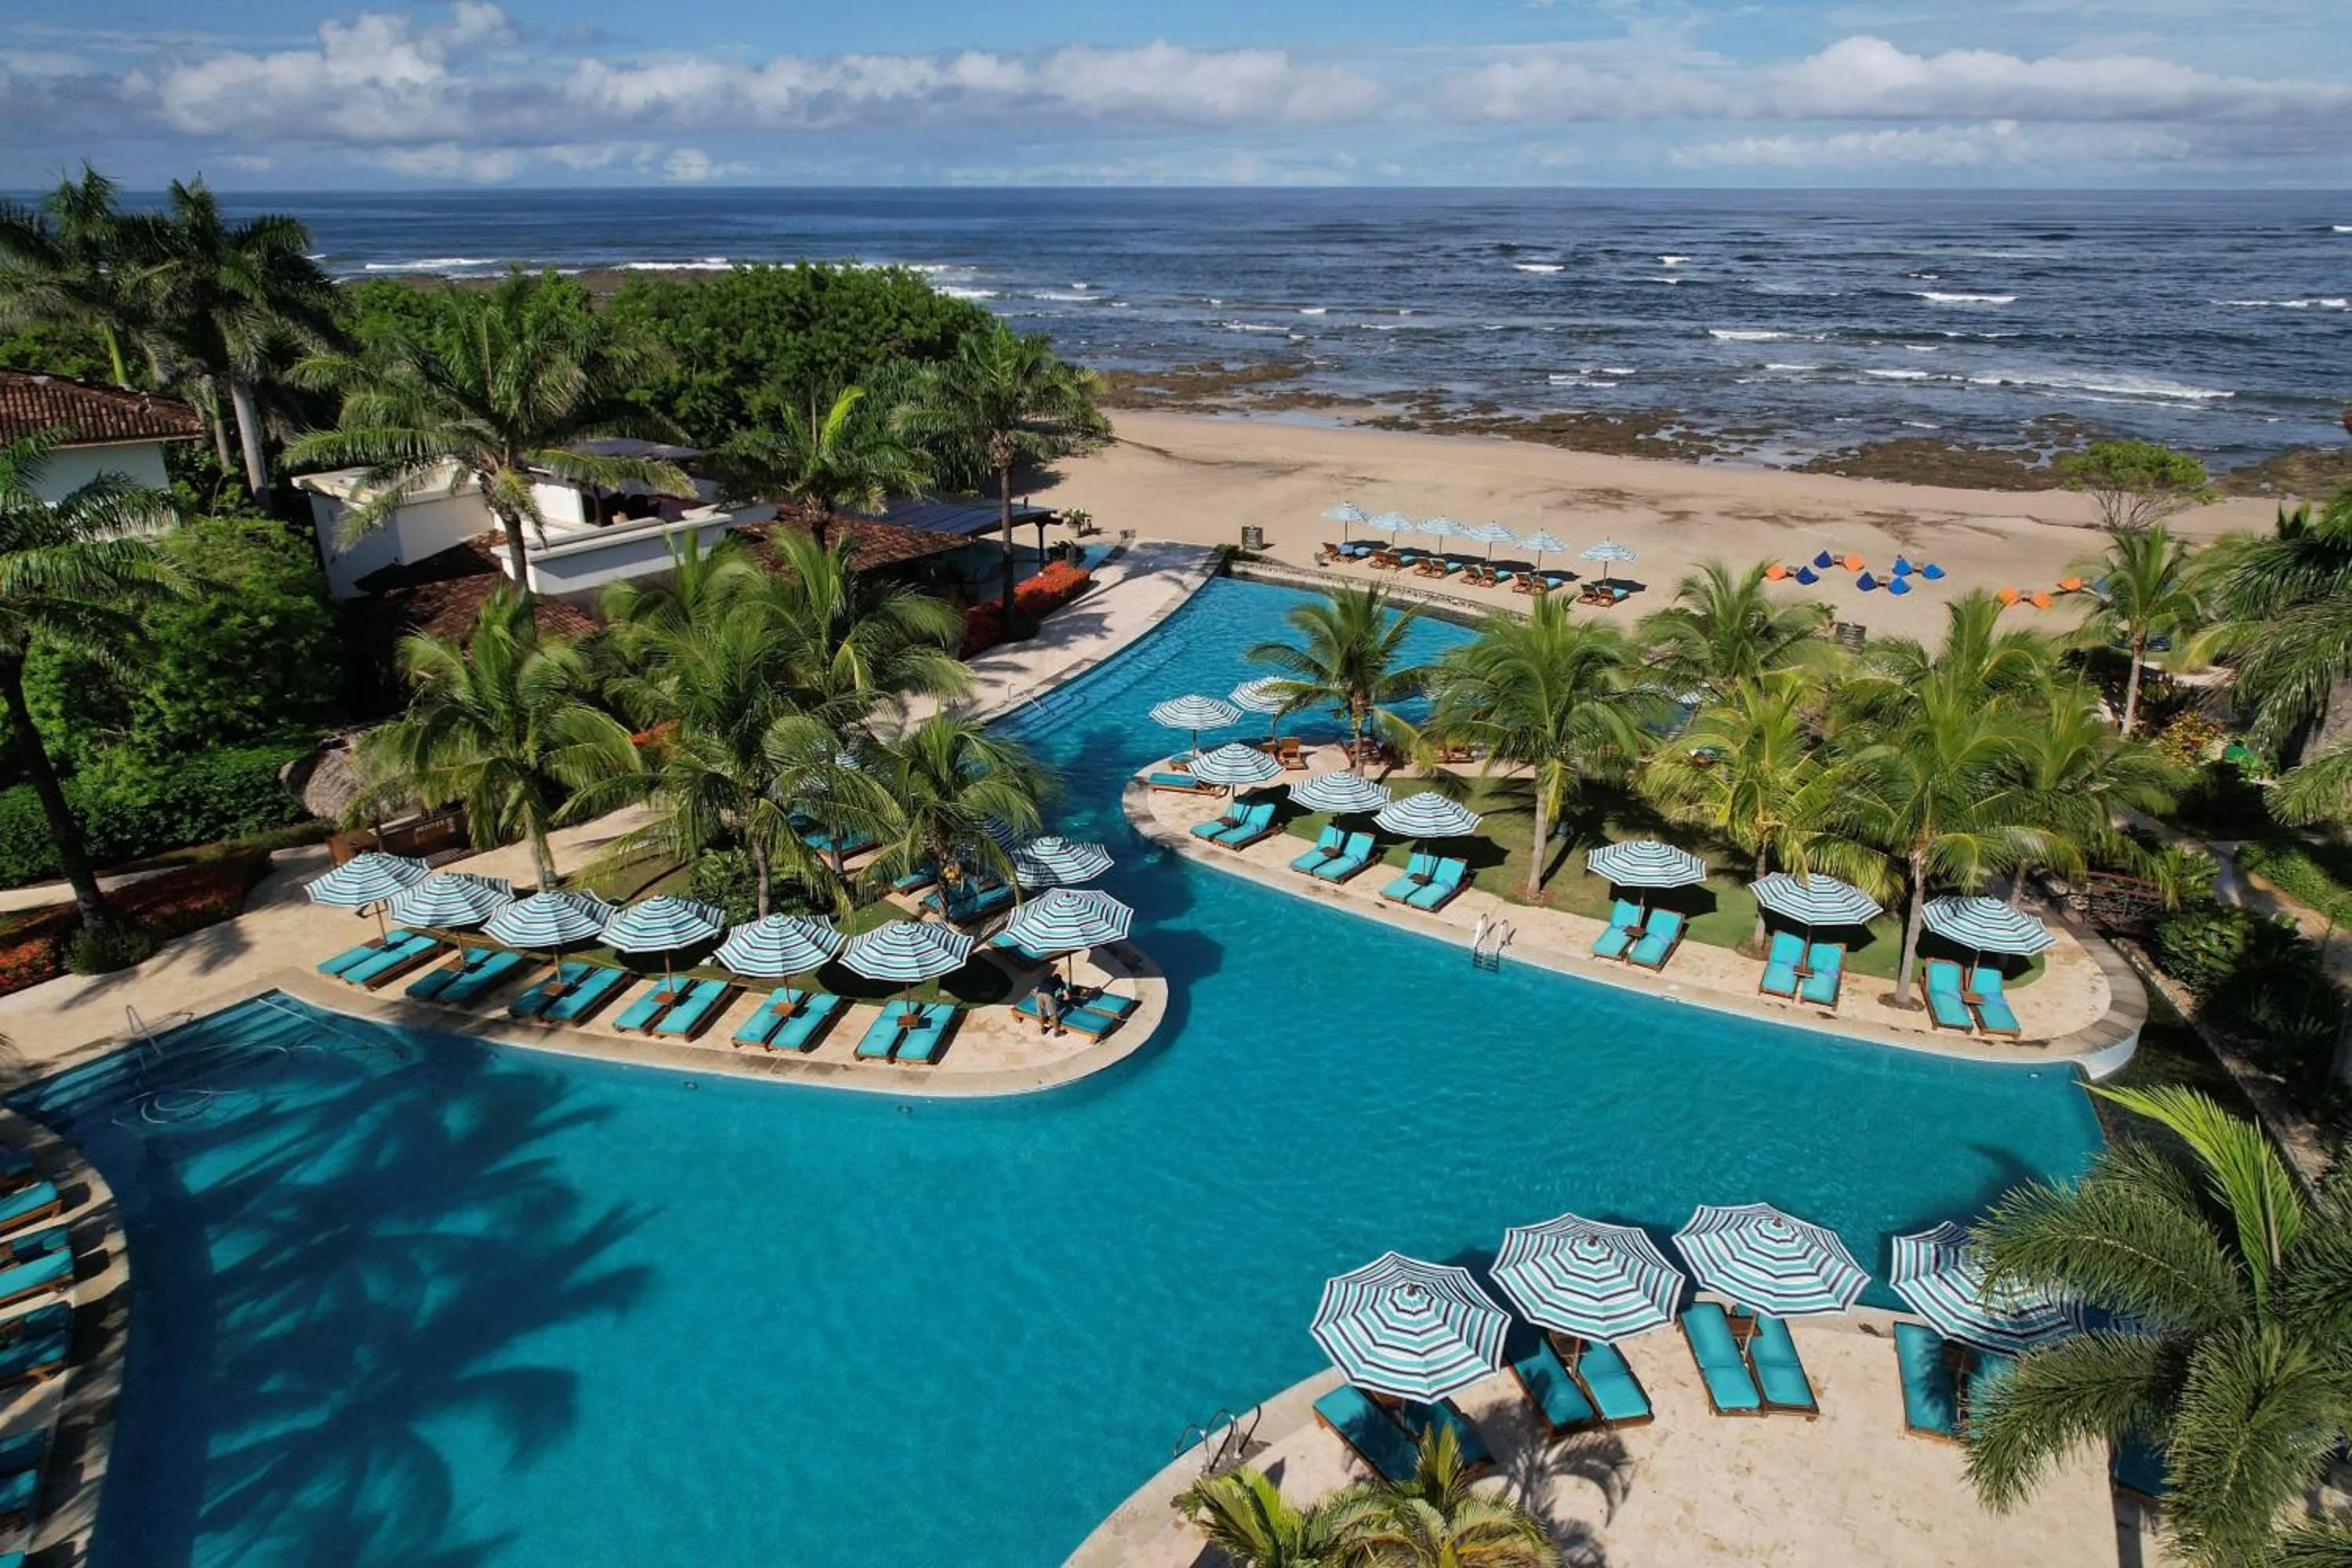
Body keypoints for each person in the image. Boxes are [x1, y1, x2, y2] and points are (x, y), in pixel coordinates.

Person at [1032, 971, 1068, 1038]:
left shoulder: (1046, 978)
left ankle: (1043, 1029)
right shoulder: (1061, 982)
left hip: (1039, 994)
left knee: (1040, 1013)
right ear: (1060, 979)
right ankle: (1057, 1032)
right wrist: (1064, 998)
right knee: (1053, 1014)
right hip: (1048, 995)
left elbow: (1035, 989)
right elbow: (1066, 996)